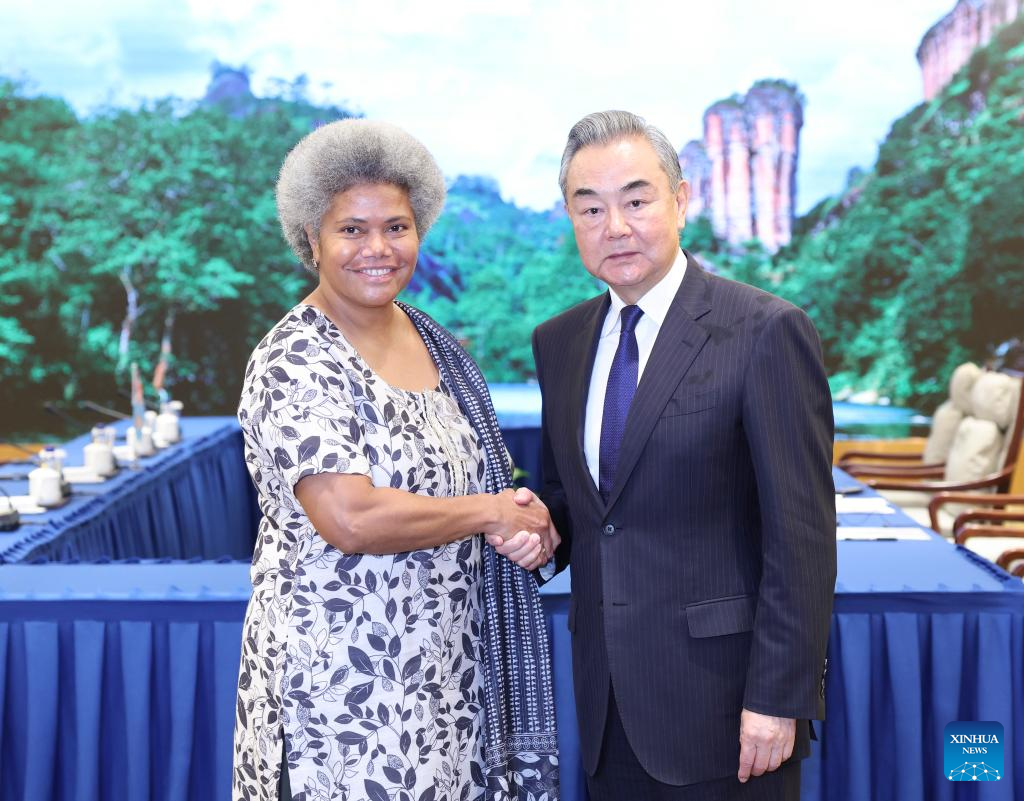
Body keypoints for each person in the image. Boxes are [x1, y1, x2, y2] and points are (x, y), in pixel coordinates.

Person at [499, 110, 836, 800]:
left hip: (728, 710)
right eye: (590, 208)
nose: (615, 227)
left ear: (680, 200)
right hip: (607, 702)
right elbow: (581, 502)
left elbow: (801, 536)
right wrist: (543, 530)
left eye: (636, 200)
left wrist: (778, 697)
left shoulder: (765, 330)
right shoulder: (558, 342)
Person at [233, 119, 559, 801]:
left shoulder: (431, 338)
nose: (377, 248)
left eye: (396, 227)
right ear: (311, 240)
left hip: (447, 685)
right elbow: (350, 518)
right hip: (338, 701)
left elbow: (486, 481)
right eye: (351, 229)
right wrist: (491, 513)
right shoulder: (296, 360)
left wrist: (529, 524)